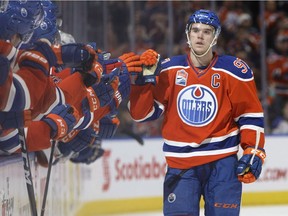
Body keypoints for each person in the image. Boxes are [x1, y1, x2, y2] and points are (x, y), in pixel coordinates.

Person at [127, 9, 266, 216]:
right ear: (188, 34)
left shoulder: (234, 71)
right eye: (195, 30)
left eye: (206, 31)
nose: (200, 36)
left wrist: (253, 150)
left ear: (215, 36)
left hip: (223, 164)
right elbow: (142, 115)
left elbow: (250, 116)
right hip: (180, 164)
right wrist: (142, 83)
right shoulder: (169, 69)